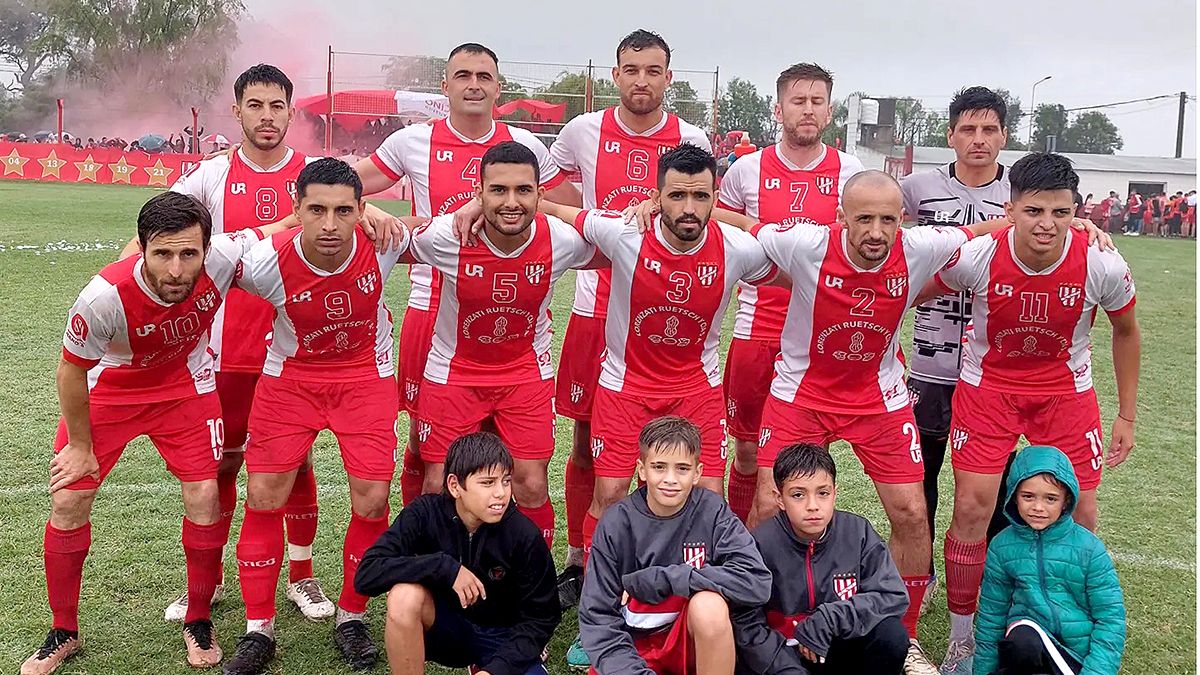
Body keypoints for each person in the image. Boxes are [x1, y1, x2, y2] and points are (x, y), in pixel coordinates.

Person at [745, 169, 1011, 674]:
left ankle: (904, 636)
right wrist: (659, 207)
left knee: (911, 512)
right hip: (802, 393)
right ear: (840, 218)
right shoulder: (805, 243)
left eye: (887, 220)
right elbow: (742, 225)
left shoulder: (919, 247)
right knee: (766, 505)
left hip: (878, 398)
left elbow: (986, 228)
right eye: (863, 218)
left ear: (902, 220)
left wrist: (1075, 223)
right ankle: (758, 626)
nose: (875, 231)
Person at [20, 191, 287, 674]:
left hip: (184, 387)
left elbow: (283, 225)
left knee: (205, 494)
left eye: (189, 254)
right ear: (141, 248)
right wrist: (79, 446)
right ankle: (63, 630)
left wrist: (366, 209)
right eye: (162, 254)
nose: (177, 270)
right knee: (69, 499)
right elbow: (70, 370)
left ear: (207, 249)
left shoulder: (223, 257)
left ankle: (199, 618)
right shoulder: (103, 297)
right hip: (113, 390)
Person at [925, 152, 1139, 674]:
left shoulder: (1101, 263)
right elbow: (912, 291)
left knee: (1082, 514)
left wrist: (1127, 415)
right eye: (1034, 211)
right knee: (972, 508)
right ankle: (963, 637)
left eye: (1061, 213)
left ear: (1077, 212)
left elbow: (1126, 331)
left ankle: (1072, 626)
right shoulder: (979, 256)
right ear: (1010, 208)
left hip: (1065, 394)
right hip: (989, 391)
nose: (1047, 224)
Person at [149, 63, 338, 624]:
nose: (267, 116)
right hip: (225, 350)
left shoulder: (312, 176)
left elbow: (357, 211)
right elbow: (158, 230)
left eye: (277, 106)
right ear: (237, 111)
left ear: (291, 112)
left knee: (296, 464)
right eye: (255, 105)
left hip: (294, 350)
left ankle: (302, 576)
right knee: (222, 465)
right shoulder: (210, 176)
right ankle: (207, 580)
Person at [354, 42, 578, 509]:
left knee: (510, 452)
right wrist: (368, 210)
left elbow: (572, 207)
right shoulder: (412, 141)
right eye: (463, 76)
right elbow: (344, 186)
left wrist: (491, 205)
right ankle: (423, 534)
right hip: (429, 308)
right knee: (425, 447)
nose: (473, 85)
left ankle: (501, 541)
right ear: (445, 86)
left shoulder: (526, 146)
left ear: (498, 87)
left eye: (483, 76)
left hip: (506, 309)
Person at [223, 159, 410, 674]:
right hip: (291, 381)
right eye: (317, 210)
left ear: (362, 210)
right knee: (264, 495)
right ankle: (258, 630)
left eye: (343, 211)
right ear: (297, 209)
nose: (330, 224)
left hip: (364, 380)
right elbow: (195, 259)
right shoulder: (263, 261)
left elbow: (448, 228)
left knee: (372, 500)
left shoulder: (385, 242)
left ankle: (352, 617)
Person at [544, 29, 711, 604]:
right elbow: (551, 185)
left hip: (665, 310)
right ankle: (579, 557)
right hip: (597, 307)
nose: (642, 80)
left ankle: (671, 560)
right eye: (631, 70)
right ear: (615, 75)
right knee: (587, 442)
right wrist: (601, 219)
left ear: (669, 76)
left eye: (653, 70)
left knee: (681, 446)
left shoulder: (690, 138)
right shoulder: (581, 130)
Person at [405, 142, 599, 550]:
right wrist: (367, 213)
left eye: (523, 190)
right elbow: (387, 237)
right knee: (440, 483)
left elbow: (628, 239)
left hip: (524, 374)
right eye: (498, 190)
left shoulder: (562, 240)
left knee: (531, 483)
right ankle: (438, 574)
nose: (511, 202)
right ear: (478, 193)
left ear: (540, 194)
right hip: (454, 373)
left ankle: (528, 577)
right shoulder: (449, 236)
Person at [715, 62, 864, 524]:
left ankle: (802, 547)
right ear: (778, 110)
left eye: (817, 101)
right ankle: (739, 545)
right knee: (746, 449)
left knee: (811, 455)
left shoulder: (850, 171)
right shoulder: (746, 170)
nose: (808, 110)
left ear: (830, 111)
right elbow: (719, 230)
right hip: (758, 328)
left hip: (821, 336)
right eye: (798, 101)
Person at [898, 86, 1013, 609]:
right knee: (920, 479)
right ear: (950, 135)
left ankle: (985, 582)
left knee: (990, 490)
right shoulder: (918, 188)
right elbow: (867, 214)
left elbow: (1055, 219)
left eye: (989, 129)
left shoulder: (1020, 191)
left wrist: (1081, 222)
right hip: (930, 362)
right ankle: (919, 579)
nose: (978, 139)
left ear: (1004, 136)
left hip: (994, 371)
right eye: (968, 129)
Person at [578, 417, 772, 675]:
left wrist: (666, 578)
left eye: (682, 468)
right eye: (659, 467)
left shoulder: (712, 511)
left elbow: (756, 581)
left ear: (697, 473)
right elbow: (597, 616)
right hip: (632, 648)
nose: (670, 479)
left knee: (709, 606)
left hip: (691, 645)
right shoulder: (616, 523)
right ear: (642, 470)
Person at [354, 432, 560, 675]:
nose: (501, 493)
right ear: (455, 486)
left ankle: (484, 666)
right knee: (404, 597)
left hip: (502, 637)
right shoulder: (424, 514)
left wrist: (496, 670)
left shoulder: (523, 533)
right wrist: (443, 567)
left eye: (505, 481)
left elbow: (542, 619)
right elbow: (367, 575)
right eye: (487, 483)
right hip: (446, 628)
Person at [733, 443, 909, 675]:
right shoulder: (759, 544)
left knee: (891, 635)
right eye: (798, 495)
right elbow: (745, 622)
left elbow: (892, 595)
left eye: (823, 493)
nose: (813, 506)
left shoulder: (858, 533)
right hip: (784, 658)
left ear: (835, 493)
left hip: (838, 647)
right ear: (779, 498)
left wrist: (828, 618)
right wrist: (786, 669)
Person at [974, 446, 1126, 675]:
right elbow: (991, 617)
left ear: (1066, 500)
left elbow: (1110, 619)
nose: (1038, 507)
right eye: (1028, 496)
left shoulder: (1089, 548)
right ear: (1013, 496)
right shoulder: (1001, 546)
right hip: (1028, 648)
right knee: (1022, 635)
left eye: (1051, 499)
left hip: (1078, 658)